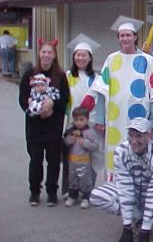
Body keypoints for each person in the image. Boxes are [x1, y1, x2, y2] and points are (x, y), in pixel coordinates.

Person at [81, 16, 153, 182]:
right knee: (116, 153)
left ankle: (140, 194)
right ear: (118, 38)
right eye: (122, 35)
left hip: (140, 120)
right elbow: (101, 90)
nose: (125, 38)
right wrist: (100, 118)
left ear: (135, 37)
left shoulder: (147, 61)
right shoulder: (111, 60)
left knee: (139, 154)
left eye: (128, 35)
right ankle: (117, 192)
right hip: (115, 120)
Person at [90, 117, 153, 242]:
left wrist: (145, 231)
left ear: (148, 136)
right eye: (131, 136)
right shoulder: (121, 151)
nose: (134, 141)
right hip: (134, 195)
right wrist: (126, 226)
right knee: (97, 196)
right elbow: (124, 188)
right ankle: (135, 220)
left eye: (139, 136)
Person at [19, 37, 69, 206]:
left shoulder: (60, 76)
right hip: (34, 127)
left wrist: (52, 104)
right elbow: (22, 99)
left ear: (54, 55)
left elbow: (65, 100)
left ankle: (52, 192)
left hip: (54, 127)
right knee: (35, 161)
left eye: (50, 52)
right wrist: (37, 109)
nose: (46, 55)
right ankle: (34, 191)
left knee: (54, 161)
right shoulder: (29, 74)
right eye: (44, 52)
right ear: (39, 54)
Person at [62, 33, 103, 197]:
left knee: (90, 156)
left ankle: (88, 188)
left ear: (90, 58)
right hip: (71, 122)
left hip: (91, 123)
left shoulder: (97, 78)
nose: (80, 58)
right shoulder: (67, 76)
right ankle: (70, 188)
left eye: (84, 55)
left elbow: (100, 100)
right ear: (74, 57)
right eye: (77, 55)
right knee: (71, 155)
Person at [64, 106, 98, 209]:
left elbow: (95, 145)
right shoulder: (71, 131)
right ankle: (72, 195)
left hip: (84, 161)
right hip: (72, 160)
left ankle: (86, 197)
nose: (78, 122)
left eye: (81, 120)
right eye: (76, 120)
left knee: (85, 180)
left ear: (87, 120)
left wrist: (85, 143)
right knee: (72, 179)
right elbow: (65, 142)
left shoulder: (90, 132)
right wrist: (70, 140)